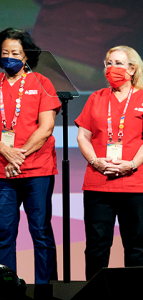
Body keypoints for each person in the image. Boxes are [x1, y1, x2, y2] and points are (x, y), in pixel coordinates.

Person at [0, 27, 61, 284]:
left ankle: (44, 289)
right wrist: (6, 152)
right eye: (5, 52)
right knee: (4, 232)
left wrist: (17, 157)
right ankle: (5, 289)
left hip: (37, 170)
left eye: (16, 53)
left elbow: (46, 127)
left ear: (26, 55)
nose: (10, 56)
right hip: (1, 171)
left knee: (41, 232)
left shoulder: (42, 83)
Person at [75, 45, 143, 280]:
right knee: (96, 247)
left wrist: (132, 164)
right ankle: (94, 299)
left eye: (118, 63)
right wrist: (95, 161)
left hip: (135, 184)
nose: (111, 68)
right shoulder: (96, 97)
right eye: (108, 63)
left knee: (137, 247)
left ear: (132, 69)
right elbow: (82, 136)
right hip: (99, 183)